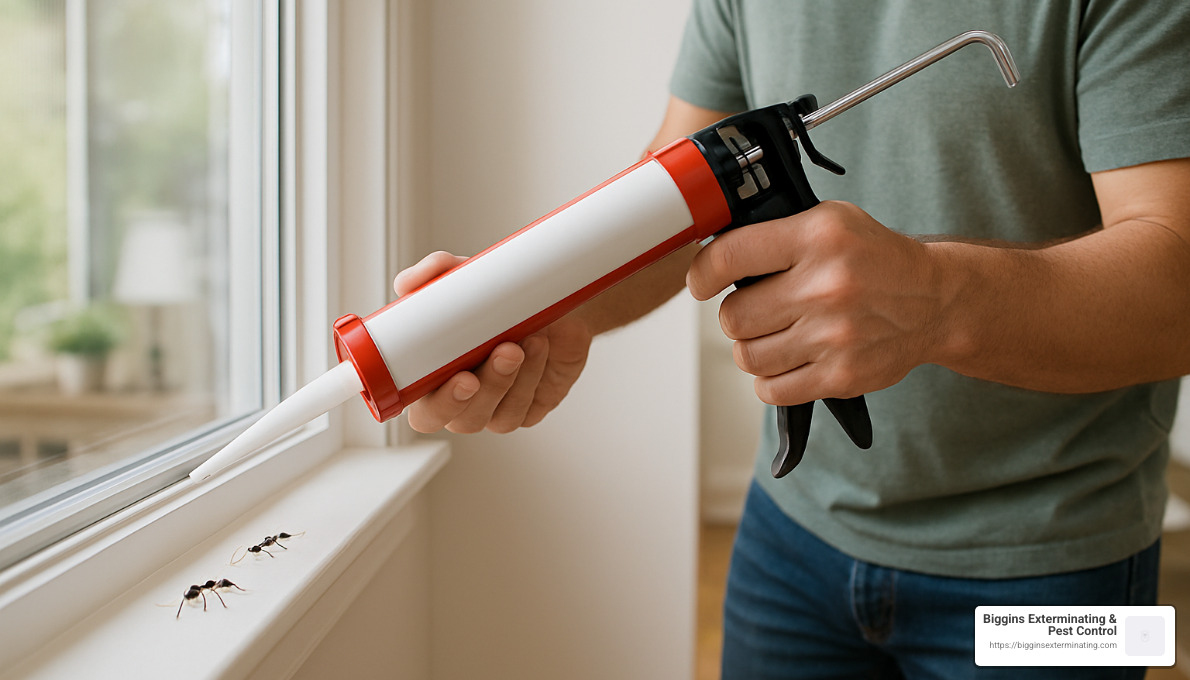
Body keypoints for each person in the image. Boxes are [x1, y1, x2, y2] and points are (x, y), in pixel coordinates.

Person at [394, 1, 1190, 677]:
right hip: (790, 540)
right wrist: (555, 301)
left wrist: (939, 298)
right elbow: (679, 186)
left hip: (1055, 571)